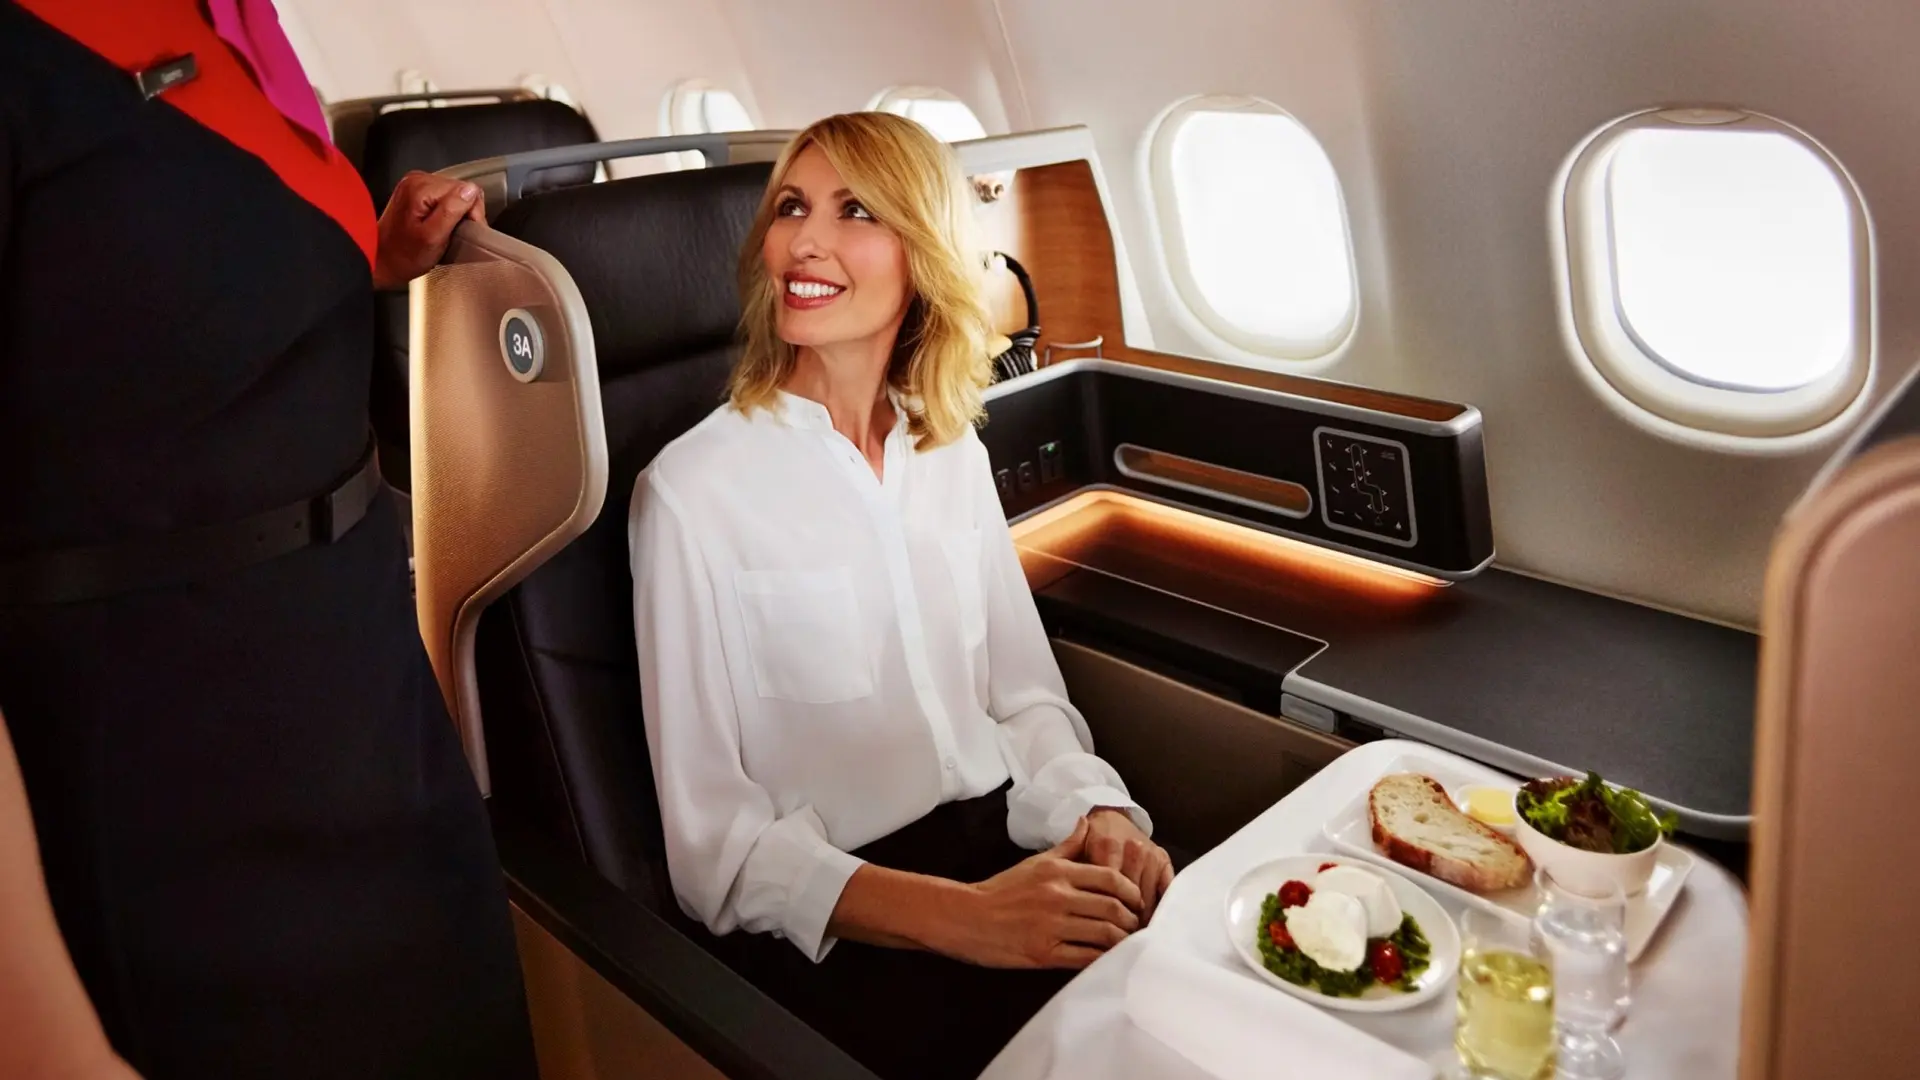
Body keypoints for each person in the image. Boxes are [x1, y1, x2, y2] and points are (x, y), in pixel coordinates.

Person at [0, 3, 537, 1078]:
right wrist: (44, 1043)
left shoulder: (237, 20)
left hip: (370, 699)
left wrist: (366, 260)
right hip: (168, 789)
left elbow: (152, 292)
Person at [627, 111, 1176, 1080]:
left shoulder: (949, 446)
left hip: (1008, 844)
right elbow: (715, 853)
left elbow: (1021, 696)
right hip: (858, 930)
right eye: (791, 207)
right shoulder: (690, 493)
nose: (805, 239)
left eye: (855, 212)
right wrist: (965, 920)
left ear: (920, 254)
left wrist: (1099, 814)